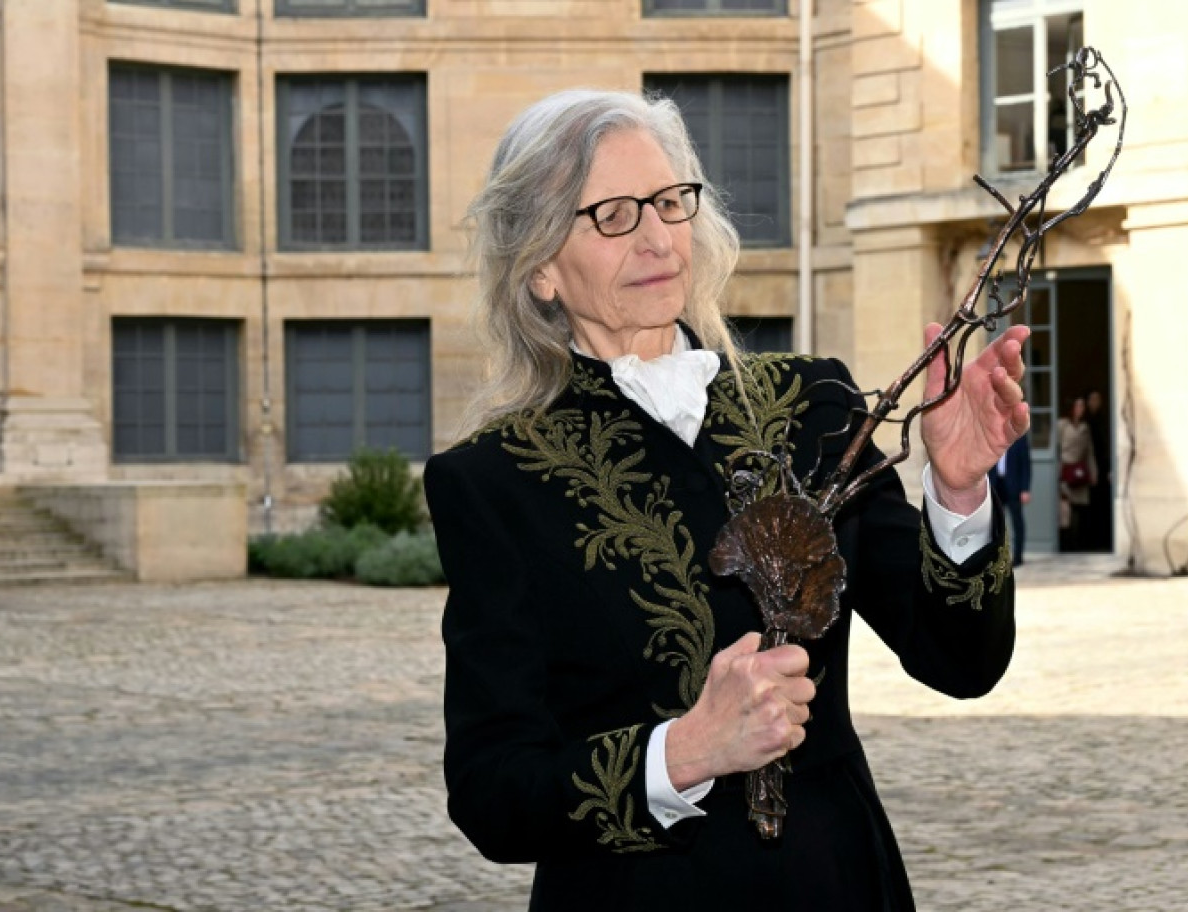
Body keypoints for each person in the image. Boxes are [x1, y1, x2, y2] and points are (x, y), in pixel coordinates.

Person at [423, 89, 1030, 912]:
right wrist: (685, 752)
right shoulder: (495, 481)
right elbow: (493, 792)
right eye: (612, 214)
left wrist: (958, 490)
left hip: (838, 887)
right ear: (540, 267)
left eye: (671, 202)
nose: (657, 236)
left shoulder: (811, 405)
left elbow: (961, 660)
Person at [1057, 396, 1098, 553]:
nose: (1082, 408)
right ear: (1072, 407)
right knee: (1064, 509)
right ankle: (1065, 544)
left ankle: (1077, 544)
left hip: (1079, 472)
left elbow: (1090, 452)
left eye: (1083, 406)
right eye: (1079, 405)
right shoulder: (1062, 425)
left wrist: (1093, 472)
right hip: (1065, 470)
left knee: (1079, 510)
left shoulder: (1085, 427)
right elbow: (1056, 448)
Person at [988, 432, 1032, 565]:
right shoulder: (993, 436)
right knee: (995, 524)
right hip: (996, 485)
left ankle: (1018, 557)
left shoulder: (1020, 438)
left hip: (1014, 487)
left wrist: (1025, 489)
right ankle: (997, 557)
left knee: (1017, 522)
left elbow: (1026, 464)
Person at [1083, 389, 1112, 551]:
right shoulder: (1086, 420)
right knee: (1089, 505)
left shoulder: (1105, 419)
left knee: (1101, 505)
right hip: (1087, 467)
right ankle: (1090, 540)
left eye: (1098, 399)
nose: (1095, 402)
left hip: (1102, 467)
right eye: (1092, 399)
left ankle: (1102, 540)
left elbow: (1106, 444)